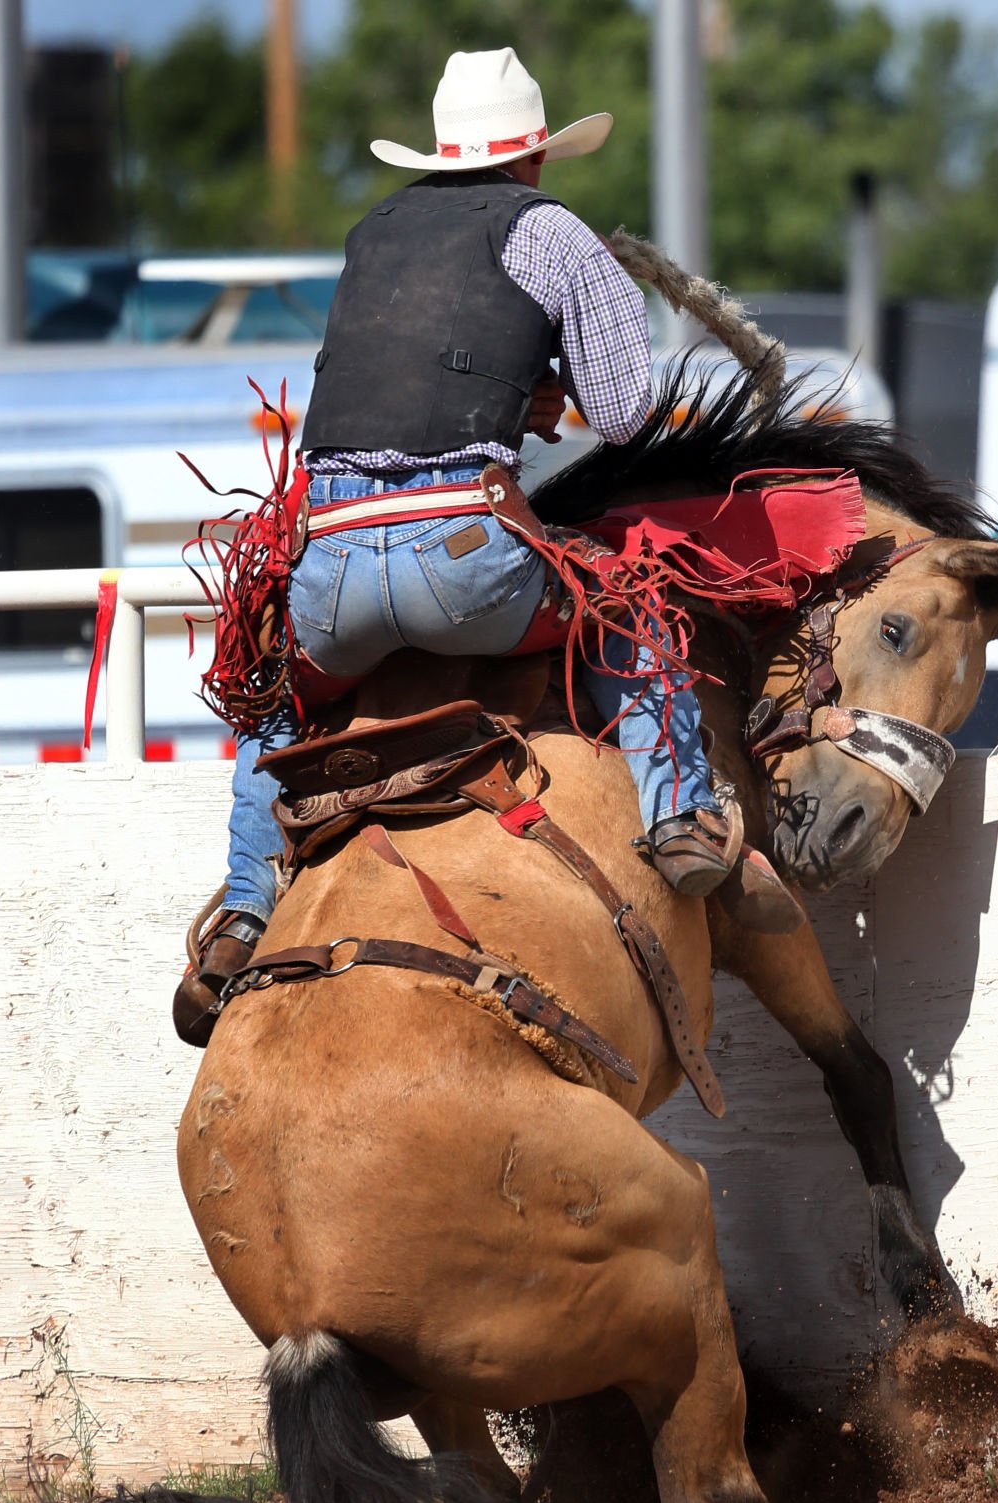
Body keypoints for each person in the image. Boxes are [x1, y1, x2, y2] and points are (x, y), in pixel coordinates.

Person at [173, 46, 730, 1047]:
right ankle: (681, 818)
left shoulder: (373, 231)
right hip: (467, 557)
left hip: (329, 572)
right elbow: (622, 411)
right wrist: (549, 381)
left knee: (272, 698)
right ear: (534, 159)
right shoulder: (550, 232)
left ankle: (246, 908)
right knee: (630, 611)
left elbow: (393, 380)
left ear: (437, 151)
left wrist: (515, 388)